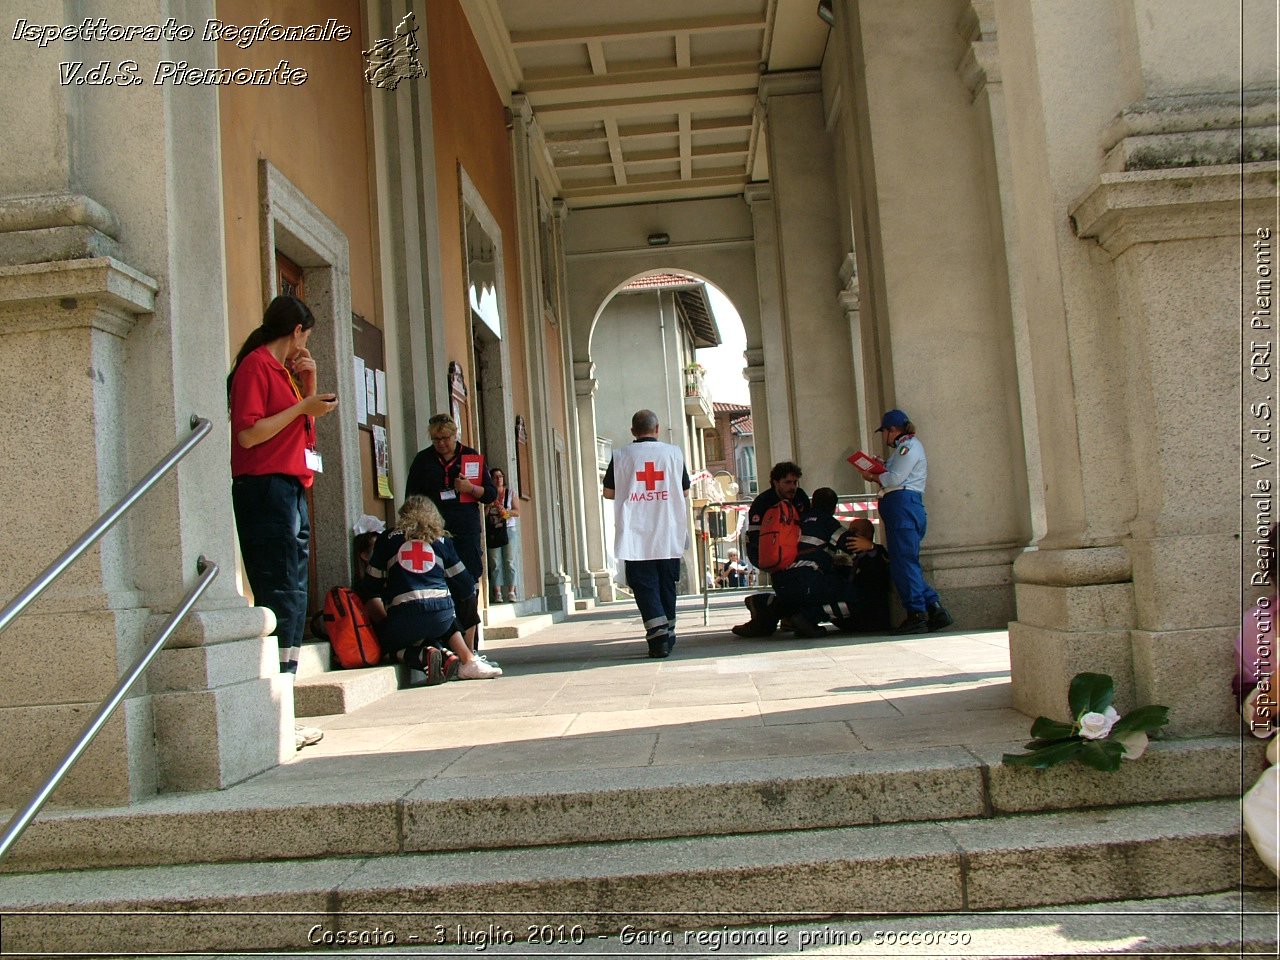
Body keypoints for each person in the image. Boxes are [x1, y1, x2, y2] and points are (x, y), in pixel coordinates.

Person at [228, 294, 338, 751]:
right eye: (306, 338)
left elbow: (302, 434)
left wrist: (307, 386)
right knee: (278, 590)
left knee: (293, 595)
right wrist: (300, 406)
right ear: (296, 332)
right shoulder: (256, 366)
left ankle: (286, 709)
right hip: (265, 487)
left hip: (290, 487)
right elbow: (250, 432)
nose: (305, 347)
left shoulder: (286, 375)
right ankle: (277, 717)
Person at [358, 497, 501, 681]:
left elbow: (371, 588)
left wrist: (386, 625)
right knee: (441, 606)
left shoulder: (387, 538)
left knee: (386, 649)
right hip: (441, 618)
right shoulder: (442, 541)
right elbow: (466, 586)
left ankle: (422, 656)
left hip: (403, 619)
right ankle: (465, 658)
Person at [603, 409, 690, 658]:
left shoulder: (621, 456)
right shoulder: (673, 454)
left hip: (637, 532)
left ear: (633, 431)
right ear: (657, 429)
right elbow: (684, 491)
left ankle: (658, 635)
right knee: (666, 583)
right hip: (667, 529)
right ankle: (667, 632)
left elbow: (608, 493)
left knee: (644, 584)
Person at [404, 414, 496, 652]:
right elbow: (411, 497)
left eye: (445, 438)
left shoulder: (470, 456)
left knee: (467, 583)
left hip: (465, 531)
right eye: (436, 439)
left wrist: (470, 488)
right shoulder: (423, 460)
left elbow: (490, 494)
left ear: (455, 435)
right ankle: (445, 646)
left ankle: (470, 647)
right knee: (440, 583)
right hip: (433, 533)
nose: (441, 443)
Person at [856, 408, 952, 634]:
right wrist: (883, 466)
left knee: (904, 564)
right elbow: (895, 473)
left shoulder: (908, 447)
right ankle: (935, 609)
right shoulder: (904, 449)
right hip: (904, 507)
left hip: (903, 507)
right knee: (906, 562)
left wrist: (873, 475)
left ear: (892, 430)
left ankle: (916, 614)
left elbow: (894, 479)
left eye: (885, 432)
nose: (884, 437)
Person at [732, 461, 810, 638]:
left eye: (794, 482)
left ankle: (786, 616)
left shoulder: (800, 497)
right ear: (775, 482)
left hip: (796, 550)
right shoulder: (763, 502)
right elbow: (756, 536)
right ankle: (770, 611)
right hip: (772, 553)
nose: (792, 487)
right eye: (787, 482)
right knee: (783, 581)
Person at [485, 468, 520, 603]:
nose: (499, 479)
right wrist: (489, 506)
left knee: (509, 560)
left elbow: (517, 512)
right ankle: (497, 592)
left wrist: (506, 511)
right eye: (495, 477)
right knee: (495, 561)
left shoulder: (510, 493)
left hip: (508, 529)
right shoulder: (489, 494)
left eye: (501, 476)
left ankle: (511, 591)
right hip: (493, 529)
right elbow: (484, 515)